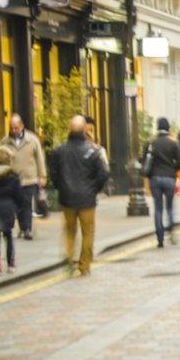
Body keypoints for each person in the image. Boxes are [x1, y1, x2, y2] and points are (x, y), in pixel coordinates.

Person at [48, 116, 109, 276]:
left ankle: (69, 261)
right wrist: (94, 189)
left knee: (69, 231)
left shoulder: (59, 150)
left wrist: (60, 187)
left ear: (69, 129)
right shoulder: (93, 151)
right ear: (84, 130)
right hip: (87, 200)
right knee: (88, 232)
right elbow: (103, 174)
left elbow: (53, 174)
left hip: (67, 199)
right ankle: (84, 265)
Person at [0, 114, 47, 240]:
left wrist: (42, 176)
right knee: (18, 205)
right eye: (11, 128)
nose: (13, 130)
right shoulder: (5, 141)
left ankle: (27, 229)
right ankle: (23, 227)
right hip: (13, 179)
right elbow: (0, 157)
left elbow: (39, 158)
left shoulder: (32, 140)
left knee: (26, 204)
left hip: (29, 178)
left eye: (16, 128)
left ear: (22, 126)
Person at [143, 117, 180, 248]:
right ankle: (171, 231)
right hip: (169, 178)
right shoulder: (173, 143)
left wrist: (148, 180)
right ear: (168, 128)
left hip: (155, 178)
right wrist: (174, 168)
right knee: (170, 207)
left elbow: (145, 162)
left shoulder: (151, 143)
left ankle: (160, 238)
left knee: (158, 208)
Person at [0, 146, 23, 275]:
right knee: (8, 236)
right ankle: (11, 263)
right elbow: (18, 195)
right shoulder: (13, 176)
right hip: (8, 209)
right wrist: (18, 208)